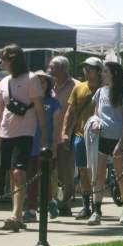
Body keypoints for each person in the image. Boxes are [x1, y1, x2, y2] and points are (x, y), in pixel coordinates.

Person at [0, 44, 45, 231]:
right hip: (6, 132)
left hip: (25, 131)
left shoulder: (31, 79)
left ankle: (17, 215)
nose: (0, 61)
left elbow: (39, 109)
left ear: (13, 59)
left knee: (19, 172)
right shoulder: (3, 82)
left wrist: (44, 136)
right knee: (11, 173)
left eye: (2, 58)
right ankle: (15, 211)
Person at [85, 62, 123, 225]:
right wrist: (95, 123)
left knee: (120, 176)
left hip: (118, 139)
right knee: (98, 176)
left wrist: (121, 142)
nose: (102, 74)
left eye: (105, 71)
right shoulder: (100, 92)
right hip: (101, 139)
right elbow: (96, 114)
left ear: (113, 73)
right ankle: (96, 210)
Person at [63, 57, 103, 219]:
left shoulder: (106, 88)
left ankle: (97, 206)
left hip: (101, 137)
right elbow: (70, 112)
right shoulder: (78, 88)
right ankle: (86, 206)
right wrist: (65, 132)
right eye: (85, 68)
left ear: (99, 71)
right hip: (80, 136)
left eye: (90, 68)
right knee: (83, 171)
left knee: (98, 173)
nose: (86, 71)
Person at [26, 72, 63, 221]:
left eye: (43, 82)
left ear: (48, 85)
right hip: (29, 144)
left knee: (44, 178)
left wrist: (53, 146)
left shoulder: (54, 103)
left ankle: (49, 202)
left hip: (44, 146)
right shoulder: (29, 101)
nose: (40, 85)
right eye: (37, 82)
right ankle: (31, 209)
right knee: (30, 179)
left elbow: (56, 127)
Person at [47, 56, 79, 216]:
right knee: (49, 171)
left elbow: (76, 112)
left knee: (66, 173)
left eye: (52, 67)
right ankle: (50, 202)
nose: (49, 70)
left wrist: (69, 132)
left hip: (67, 135)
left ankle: (64, 204)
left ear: (63, 69)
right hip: (49, 137)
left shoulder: (76, 86)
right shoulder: (47, 85)